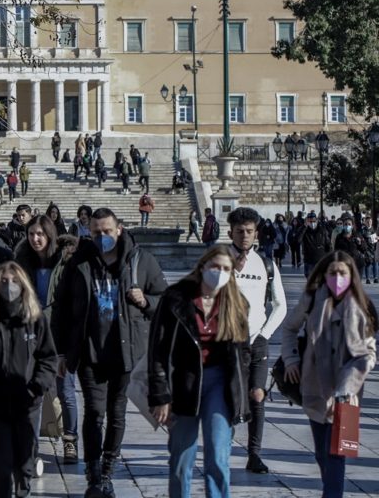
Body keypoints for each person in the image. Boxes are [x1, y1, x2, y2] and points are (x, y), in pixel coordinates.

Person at [52, 208, 168, 497]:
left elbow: (165, 301)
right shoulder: (79, 263)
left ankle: (107, 473)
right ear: (88, 233)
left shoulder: (141, 261)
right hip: (90, 351)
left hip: (126, 352)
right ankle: (93, 475)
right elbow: (62, 308)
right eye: (96, 232)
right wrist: (61, 352)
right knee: (94, 412)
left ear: (119, 229)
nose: (102, 237)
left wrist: (145, 301)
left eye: (106, 231)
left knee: (117, 415)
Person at [149, 245, 251, 498]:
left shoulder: (236, 304)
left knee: (218, 454)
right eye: (215, 266)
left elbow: (243, 351)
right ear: (202, 266)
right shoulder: (175, 299)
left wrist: (244, 389)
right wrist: (161, 395)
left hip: (219, 381)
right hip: (184, 380)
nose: (220, 272)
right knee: (182, 456)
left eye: (226, 269)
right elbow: (158, 350)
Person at [280, 251, 376, 498]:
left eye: (342, 273)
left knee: (338, 455)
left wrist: (345, 390)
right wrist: (291, 359)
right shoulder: (312, 299)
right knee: (322, 454)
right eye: (332, 272)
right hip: (314, 389)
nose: (337, 277)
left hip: (348, 395)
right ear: (324, 274)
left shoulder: (362, 306)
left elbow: (368, 354)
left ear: (351, 275)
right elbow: (289, 329)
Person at [0, 261, 58, 498]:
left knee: (23, 460)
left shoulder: (35, 320)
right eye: (4, 282)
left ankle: (23, 484)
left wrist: (36, 388)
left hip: (26, 404)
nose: (9, 287)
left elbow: (48, 358)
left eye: (15, 281)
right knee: (0, 464)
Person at [226, 207, 287, 474]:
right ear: (230, 233)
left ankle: (254, 454)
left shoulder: (266, 264)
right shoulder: (218, 261)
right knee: (228, 397)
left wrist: (265, 333)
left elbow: (280, 304)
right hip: (227, 341)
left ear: (256, 233)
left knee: (257, 395)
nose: (244, 236)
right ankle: (222, 448)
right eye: (239, 231)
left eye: (249, 231)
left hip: (257, 340)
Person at [15, 216, 80, 463]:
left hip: (60, 334)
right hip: (31, 335)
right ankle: (30, 442)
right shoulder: (22, 260)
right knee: (33, 391)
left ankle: (70, 441)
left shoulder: (66, 261)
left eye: (40, 234)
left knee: (66, 390)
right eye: (31, 234)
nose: (35, 239)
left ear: (50, 235)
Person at [297, 212, 331, 278]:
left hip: (320, 259)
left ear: (317, 220)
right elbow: (298, 240)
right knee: (309, 279)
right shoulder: (304, 230)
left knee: (321, 279)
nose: (312, 223)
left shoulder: (322, 230)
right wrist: (304, 227)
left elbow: (328, 244)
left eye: (314, 221)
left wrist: (328, 257)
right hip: (309, 259)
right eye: (310, 221)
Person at [360, 216, 378, 284]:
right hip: (367, 249)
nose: (369, 223)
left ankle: (375, 278)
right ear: (365, 222)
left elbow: (377, 239)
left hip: (374, 248)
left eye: (370, 221)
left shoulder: (374, 230)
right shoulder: (363, 230)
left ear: (372, 222)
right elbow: (361, 238)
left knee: (375, 264)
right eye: (367, 222)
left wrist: (377, 238)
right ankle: (368, 279)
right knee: (368, 264)